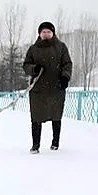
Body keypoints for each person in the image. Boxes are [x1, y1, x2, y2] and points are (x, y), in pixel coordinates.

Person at [22, 21, 73, 154]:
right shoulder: (33, 49)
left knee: (56, 115)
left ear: (53, 33)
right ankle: (35, 145)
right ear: (39, 33)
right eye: (43, 32)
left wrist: (65, 77)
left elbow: (67, 64)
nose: (46, 34)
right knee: (36, 117)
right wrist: (34, 69)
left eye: (48, 32)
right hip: (38, 89)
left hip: (56, 87)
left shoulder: (61, 47)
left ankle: (55, 143)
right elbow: (26, 66)